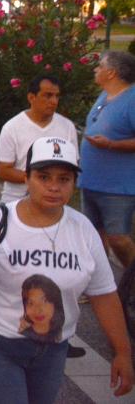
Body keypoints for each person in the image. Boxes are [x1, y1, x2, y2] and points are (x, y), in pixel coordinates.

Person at [0, 136, 133, 403]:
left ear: (74, 183)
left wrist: (123, 352)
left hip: (52, 352)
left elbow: (103, 294)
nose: (54, 187)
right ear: (27, 177)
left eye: (64, 179)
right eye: (44, 177)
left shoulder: (83, 230)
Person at [80, 51, 135, 269]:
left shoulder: (131, 99)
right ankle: (100, 285)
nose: (96, 69)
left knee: (118, 239)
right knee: (94, 237)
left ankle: (131, 284)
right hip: (91, 182)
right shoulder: (105, 95)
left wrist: (111, 145)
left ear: (111, 72)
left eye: (100, 66)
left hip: (117, 188)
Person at [0, 75, 78, 204]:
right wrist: (40, 179)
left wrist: (53, 182)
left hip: (54, 202)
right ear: (31, 97)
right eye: (48, 95)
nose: (54, 101)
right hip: (15, 202)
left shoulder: (67, 127)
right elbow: (4, 170)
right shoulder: (12, 127)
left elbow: (74, 166)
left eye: (57, 96)